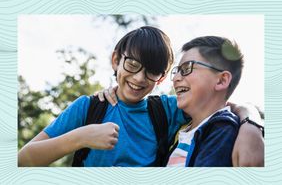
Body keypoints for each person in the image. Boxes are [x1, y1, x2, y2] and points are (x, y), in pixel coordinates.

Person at [18, 26, 263, 167]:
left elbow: (222, 107)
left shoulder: (168, 110)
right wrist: (79, 137)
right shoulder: (89, 108)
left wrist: (251, 124)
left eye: (152, 71)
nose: (138, 79)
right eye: (133, 64)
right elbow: (22, 160)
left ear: (162, 77)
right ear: (117, 59)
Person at [166, 36, 261, 166]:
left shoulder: (223, 129)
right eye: (177, 71)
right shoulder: (180, 128)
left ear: (221, 80)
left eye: (187, 68)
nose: (175, 78)